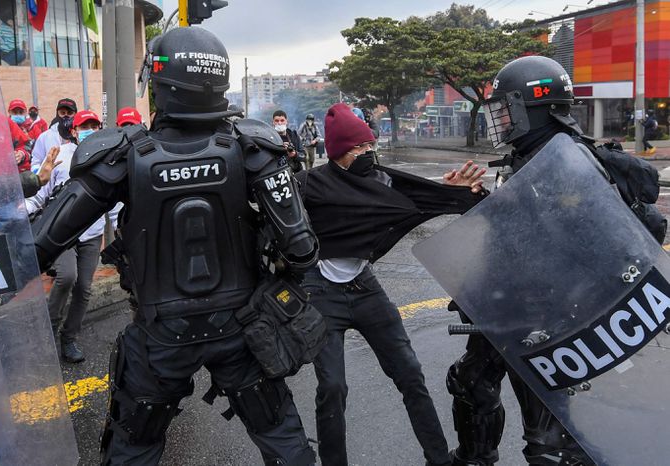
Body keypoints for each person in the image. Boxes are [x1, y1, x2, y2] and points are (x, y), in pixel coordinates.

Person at [31, 26, 319, 465]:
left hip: (161, 336)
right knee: (285, 445)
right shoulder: (252, 147)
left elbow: (38, 244)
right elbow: (301, 248)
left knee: (134, 451)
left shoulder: (120, 154)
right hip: (242, 330)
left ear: (160, 81)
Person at [295, 102, 486, 466]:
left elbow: (421, 198)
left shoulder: (382, 180)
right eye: (358, 149)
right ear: (337, 152)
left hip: (365, 289)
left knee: (410, 374)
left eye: (370, 146)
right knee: (332, 387)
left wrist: (455, 193)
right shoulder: (309, 185)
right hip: (321, 292)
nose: (368, 153)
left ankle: (438, 459)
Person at [447, 55, 601, 466]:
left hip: (548, 314)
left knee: (549, 435)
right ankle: (474, 457)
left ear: (529, 108)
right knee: (471, 383)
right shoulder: (526, 157)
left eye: (505, 109)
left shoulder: (571, 162)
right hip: (505, 300)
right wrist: (474, 202)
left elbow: (581, 240)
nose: (500, 119)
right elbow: (513, 228)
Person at [26, 110, 121, 363]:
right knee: (67, 277)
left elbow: (112, 203)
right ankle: (48, 332)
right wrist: (21, 211)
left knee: (84, 288)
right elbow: (41, 194)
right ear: (74, 131)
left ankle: (69, 338)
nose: (89, 129)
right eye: (84, 126)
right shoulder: (60, 155)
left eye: (93, 125)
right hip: (62, 234)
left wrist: (120, 228)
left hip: (91, 234)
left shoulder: (107, 159)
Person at [31, 98, 77, 171]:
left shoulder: (79, 136)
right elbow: (36, 162)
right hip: (50, 180)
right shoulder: (45, 137)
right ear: (57, 114)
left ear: (75, 114)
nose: (66, 116)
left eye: (70, 113)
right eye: (62, 113)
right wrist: (40, 176)